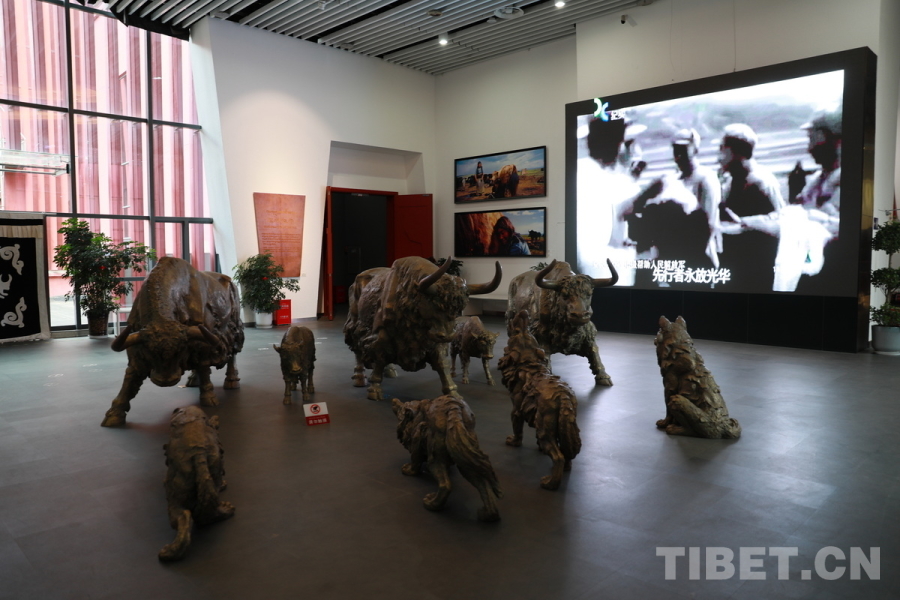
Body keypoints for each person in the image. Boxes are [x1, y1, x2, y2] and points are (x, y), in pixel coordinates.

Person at [716, 123, 786, 291]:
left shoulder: (762, 181)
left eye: (722, 149)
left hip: (756, 269)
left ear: (737, 151)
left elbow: (781, 219)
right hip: (735, 263)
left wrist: (744, 224)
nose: (718, 156)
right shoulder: (730, 181)